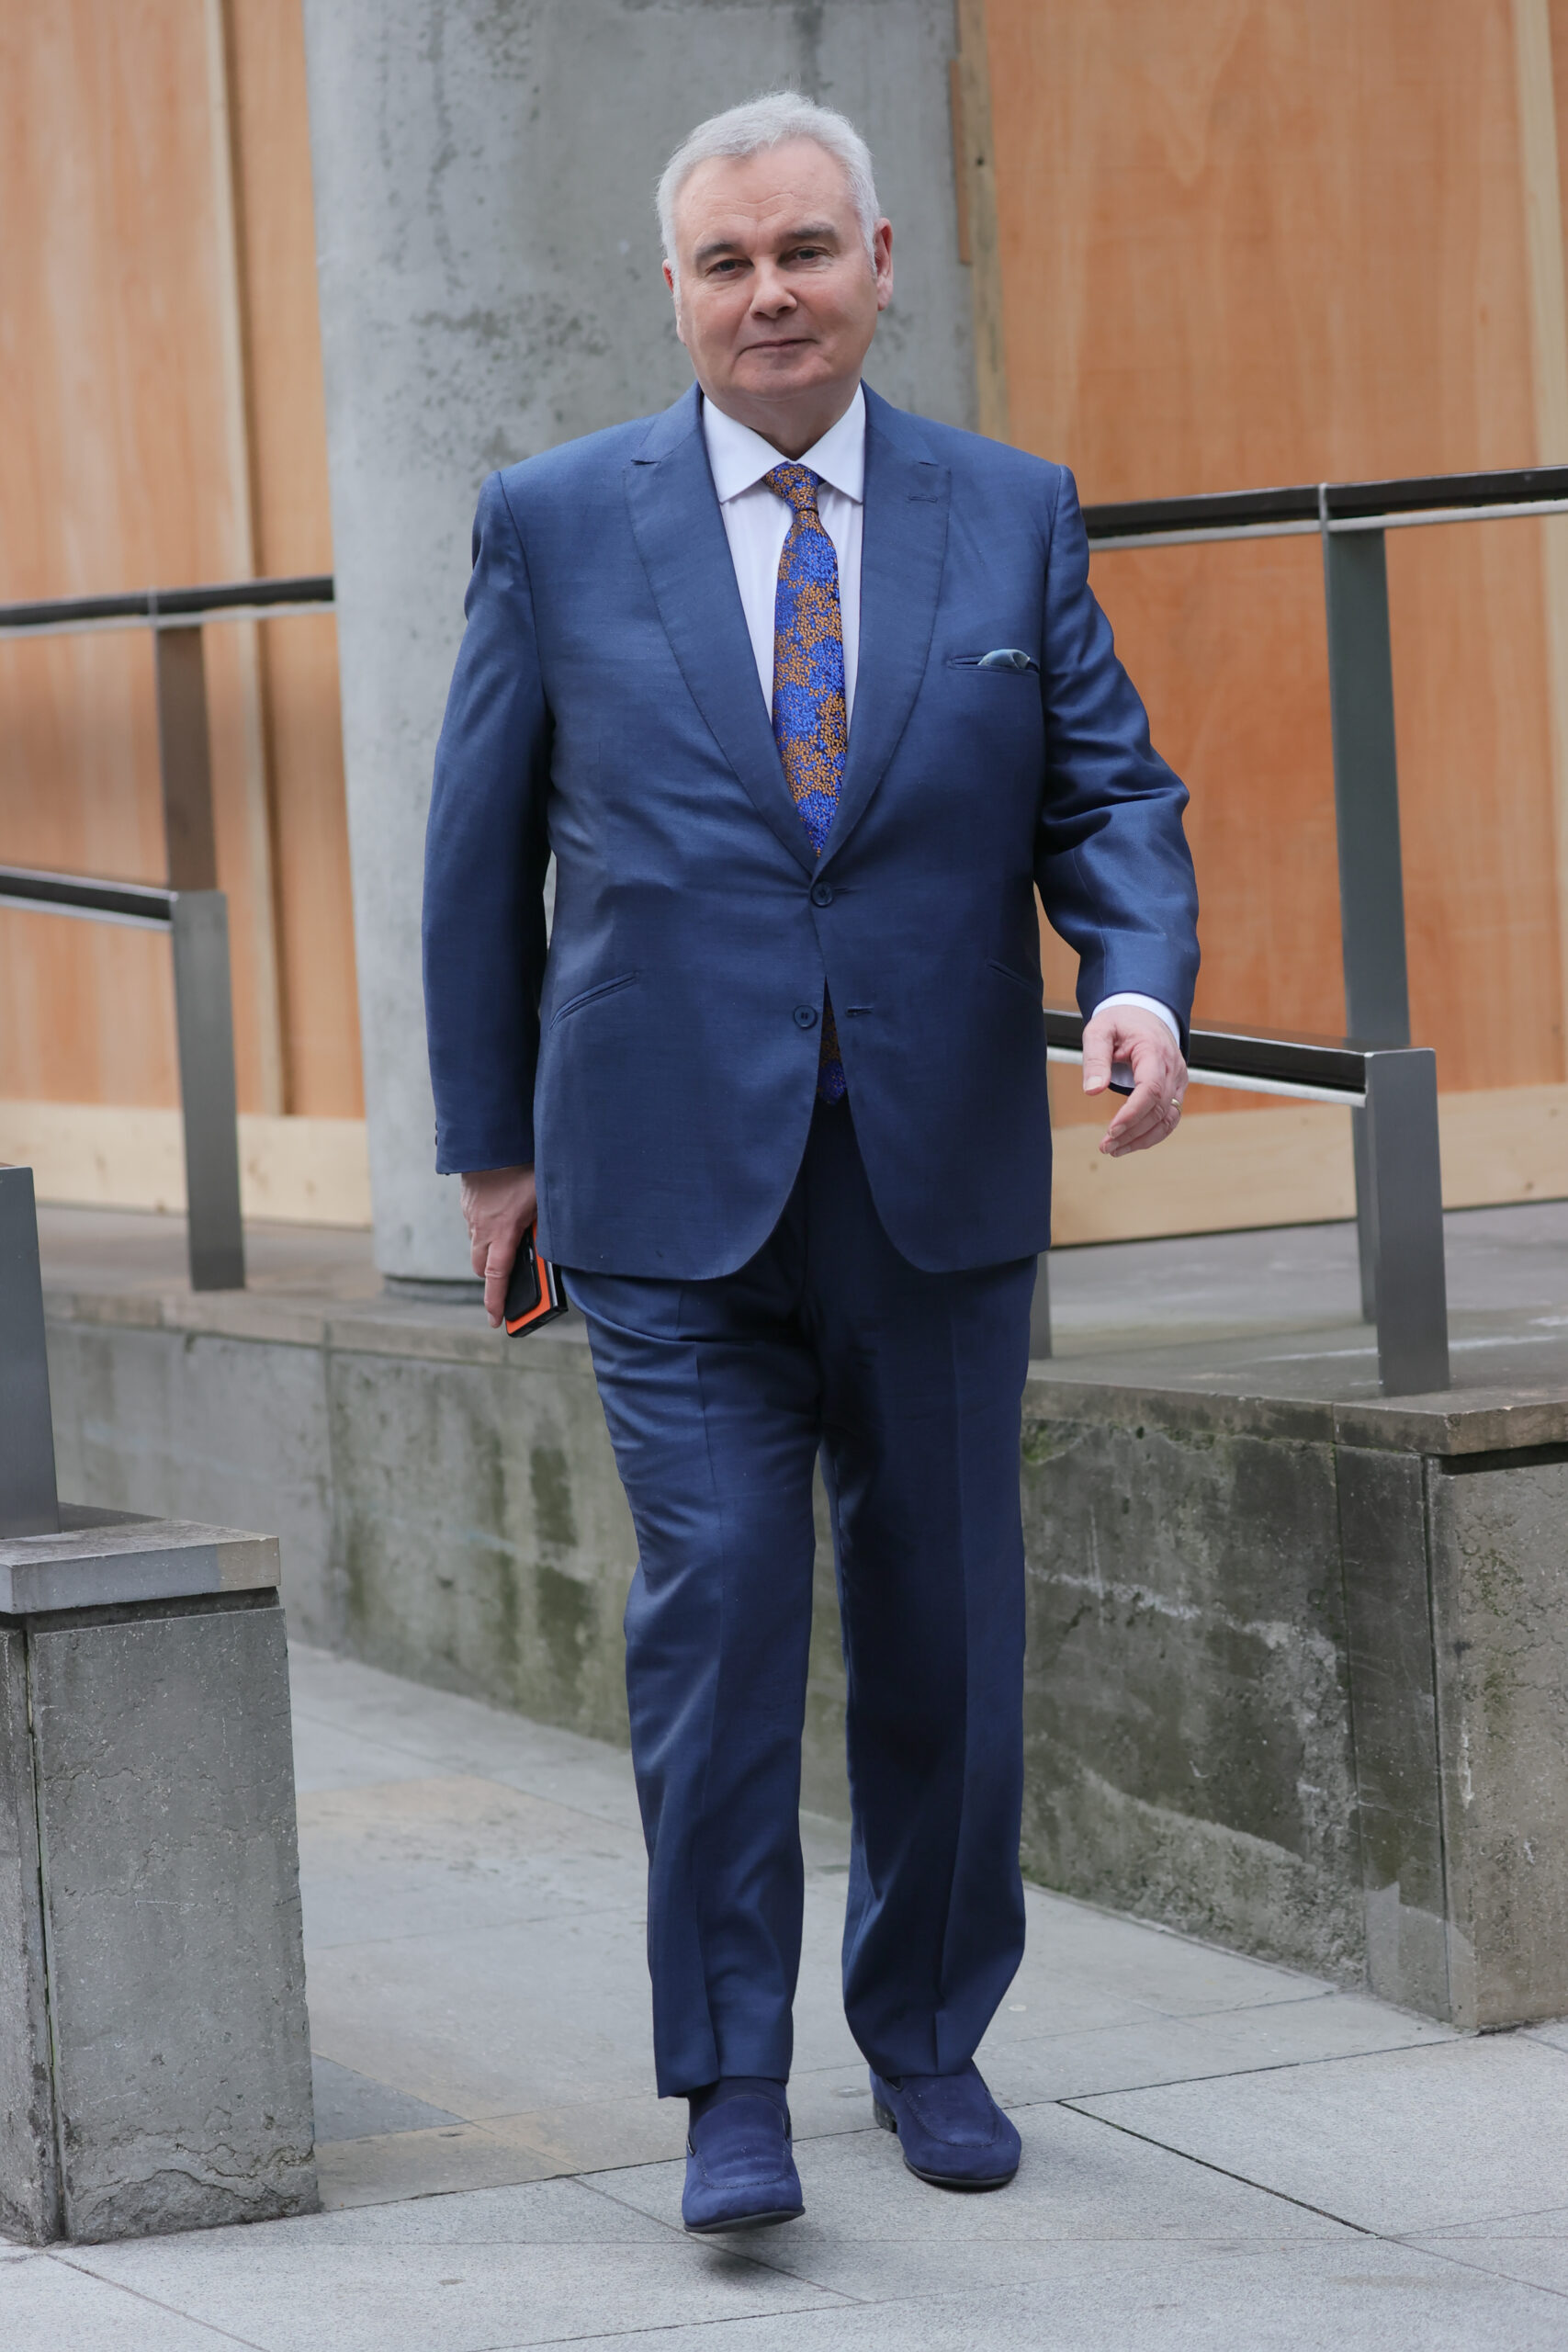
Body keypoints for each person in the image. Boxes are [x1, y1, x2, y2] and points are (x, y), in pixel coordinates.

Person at [423, 90, 1198, 2234]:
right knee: (725, 1612)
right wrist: (491, 1155)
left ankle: (929, 2031)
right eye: (722, 263)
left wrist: (1132, 973)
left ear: (876, 264)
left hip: (933, 1178)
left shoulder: (1006, 510)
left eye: (801, 252)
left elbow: (1108, 797)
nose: (766, 294)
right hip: (662, 1182)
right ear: (671, 292)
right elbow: (475, 859)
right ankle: (725, 2086)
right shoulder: (554, 519)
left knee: (944, 1624)